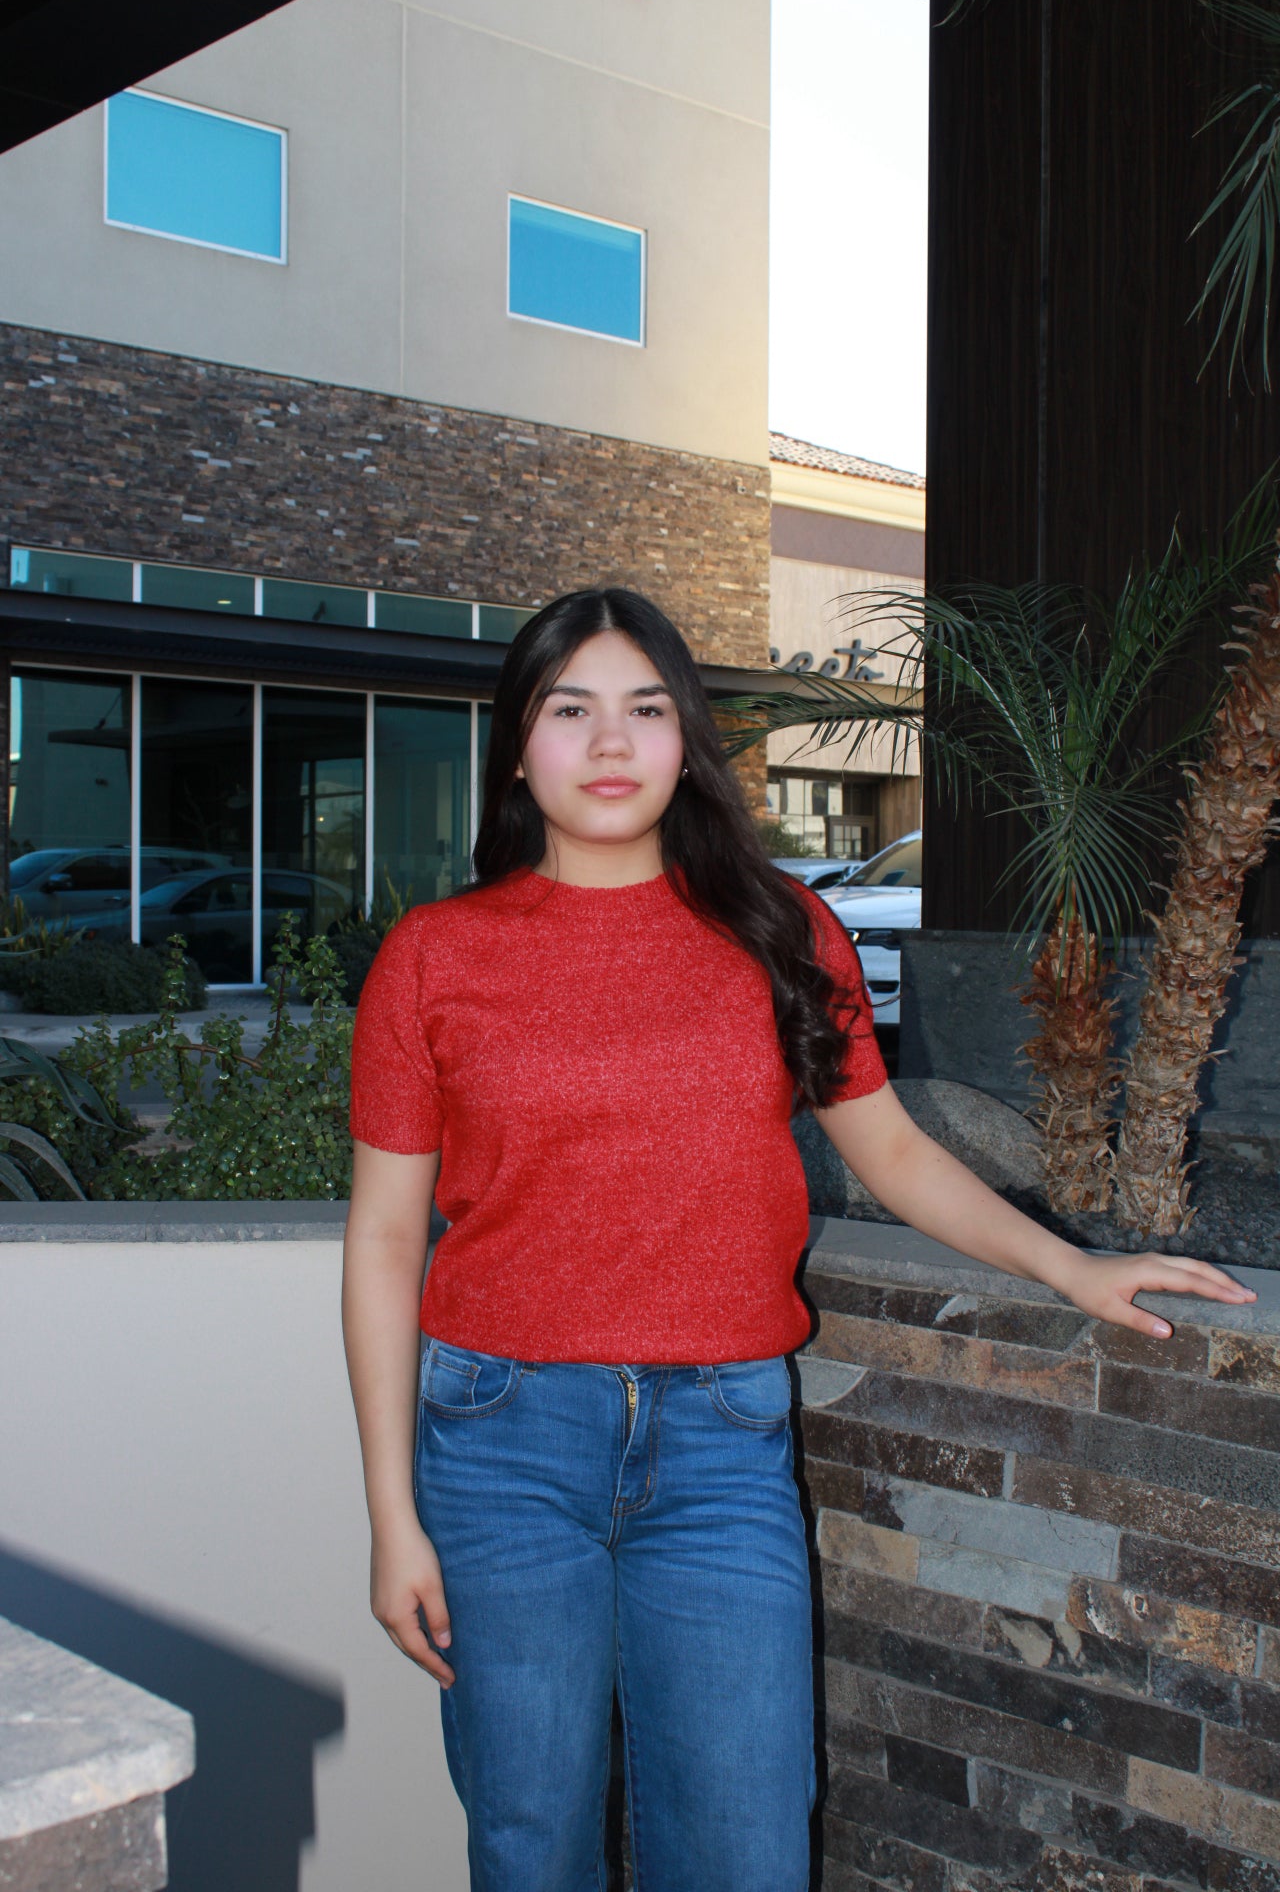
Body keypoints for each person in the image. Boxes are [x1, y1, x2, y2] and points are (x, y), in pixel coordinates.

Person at [341, 586, 1256, 1892]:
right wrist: (392, 1514)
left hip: (721, 1448)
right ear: (518, 748)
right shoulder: (436, 957)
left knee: (747, 1842)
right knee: (529, 1840)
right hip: (502, 1445)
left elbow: (891, 1150)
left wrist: (1073, 1263)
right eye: (571, 710)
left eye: (647, 709)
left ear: (687, 741)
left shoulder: (779, 929)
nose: (612, 744)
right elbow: (386, 1239)